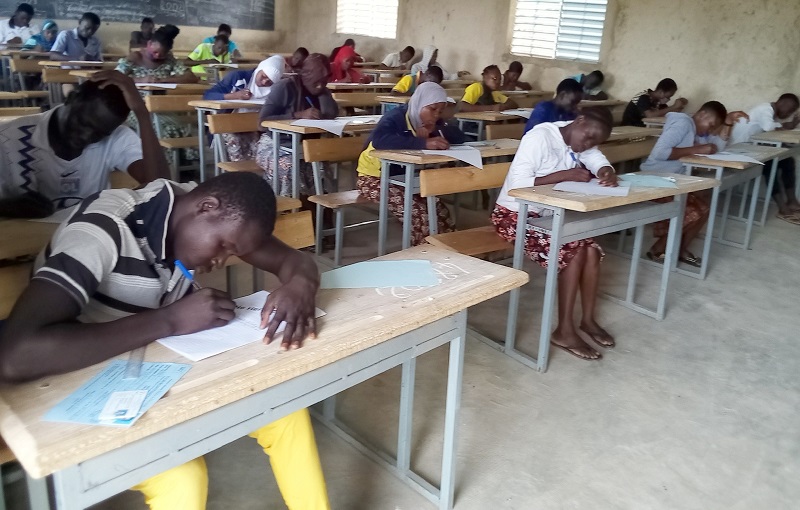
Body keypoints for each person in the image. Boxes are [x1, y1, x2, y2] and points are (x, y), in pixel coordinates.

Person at [0, 172, 331, 510]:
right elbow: (15, 355)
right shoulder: (103, 229)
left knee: (286, 414)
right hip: (86, 381)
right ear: (206, 207)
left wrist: (300, 284)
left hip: (162, 363)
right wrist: (170, 319)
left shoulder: (201, 209)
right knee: (182, 479)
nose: (219, 261)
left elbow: (294, 261)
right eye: (222, 246)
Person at [493, 107, 618, 360]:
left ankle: (588, 320)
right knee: (573, 253)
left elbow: (595, 158)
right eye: (588, 137)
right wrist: (564, 176)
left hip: (547, 215)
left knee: (591, 250)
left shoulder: (580, 140)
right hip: (513, 215)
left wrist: (606, 170)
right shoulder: (539, 138)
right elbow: (518, 184)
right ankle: (564, 331)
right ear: (579, 120)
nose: (588, 144)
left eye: (594, 141)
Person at [0, 71, 171, 218]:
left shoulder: (116, 137)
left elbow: (160, 186)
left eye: (99, 134)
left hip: (85, 239)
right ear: (71, 98)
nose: (86, 136)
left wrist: (142, 113)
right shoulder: (8, 137)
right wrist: (6, 206)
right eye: (82, 123)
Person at [356, 82, 465, 245]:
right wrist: (422, 142)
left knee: (439, 210)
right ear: (420, 103)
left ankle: (446, 250)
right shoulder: (396, 117)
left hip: (404, 179)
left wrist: (435, 131)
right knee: (419, 214)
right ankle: (424, 253)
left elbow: (460, 137)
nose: (436, 115)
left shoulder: (432, 122)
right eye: (432, 109)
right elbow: (380, 140)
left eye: (440, 111)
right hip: (372, 179)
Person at [640, 101, 745, 266]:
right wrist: (697, 149)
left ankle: (679, 249)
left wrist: (728, 123)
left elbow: (716, 147)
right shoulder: (683, 123)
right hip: (653, 180)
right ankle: (658, 249)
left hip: (672, 181)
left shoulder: (697, 130)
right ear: (702, 114)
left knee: (704, 208)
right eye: (711, 125)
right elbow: (660, 152)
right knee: (694, 212)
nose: (709, 130)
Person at [254, 53, 338, 196]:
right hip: (274, 145)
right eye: (317, 80)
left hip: (303, 147)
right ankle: (289, 205)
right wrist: (297, 115)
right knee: (289, 166)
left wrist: (322, 92)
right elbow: (262, 123)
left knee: (321, 167)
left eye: (324, 80)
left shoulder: (321, 90)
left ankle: (317, 207)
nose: (320, 84)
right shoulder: (284, 87)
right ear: (306, 75)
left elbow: (331, 114)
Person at [116, 25, 199, 164]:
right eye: (155, 52)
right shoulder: (135, 57)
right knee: (162, 128)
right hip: (136, 108)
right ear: (149, 44)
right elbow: (116, 76)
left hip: (161, 108)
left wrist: (164, 80)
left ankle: (182, 164)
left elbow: (191, 77)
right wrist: (141, 80)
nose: (157, 56)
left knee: (180, 126)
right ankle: (164, 165)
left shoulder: (169, 59)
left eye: (162, 54)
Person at [730, 93, 800, 223]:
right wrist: (786, 125)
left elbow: (766, 134)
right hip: (737, 151)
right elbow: (768, 127)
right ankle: (782, 208)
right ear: (782, 103)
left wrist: (786, 128)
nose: (788, 114)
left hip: (749, 149)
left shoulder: (771, 113)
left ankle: (792, 201)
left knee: (787, 160)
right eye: (789, 110)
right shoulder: (766, 109)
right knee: (770, 165)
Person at [203, 55, 284, 101]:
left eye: (270, 82)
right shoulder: (237, 77)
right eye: (263, 76)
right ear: (259, 68)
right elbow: (208, 96)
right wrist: (235, 95)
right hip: (231, 121)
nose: (264, 82)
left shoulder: (277, 90)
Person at [621, 78, 688, 127]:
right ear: (661, 92)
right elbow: (650, 115)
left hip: (642, 128)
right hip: (630, 128)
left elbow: (667, 113)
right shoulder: (643, 97)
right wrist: (673, 107)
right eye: (668, 96)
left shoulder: (657, 101)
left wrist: (680, 105)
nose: (669, 99)